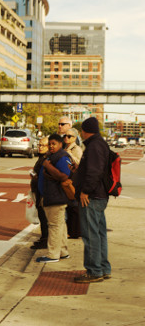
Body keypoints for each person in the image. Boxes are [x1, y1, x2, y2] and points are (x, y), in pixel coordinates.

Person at [73, 117, 111, 283]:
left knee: (90, 235)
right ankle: (103, 268)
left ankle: (94, 271)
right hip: (100, 195)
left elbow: (94, 172)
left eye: (82, 130)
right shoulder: (101, 144)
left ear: (85, 130)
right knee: (100, 233)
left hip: (92, 197)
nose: (81, 133)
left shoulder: (94, 146)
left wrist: (85, 191)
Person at [36, 134, 71, 263]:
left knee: (54, 226)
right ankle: (62, 251)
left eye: (54, 144)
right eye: (50, 144)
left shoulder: (61, 157)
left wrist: (47, 166)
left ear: (60, 144)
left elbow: (64, 176)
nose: (51, 146)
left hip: (56, 197)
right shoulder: (53, 156)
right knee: (60, 225)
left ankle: (53, 255)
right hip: (51, 196)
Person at [63, 128, 83, 239]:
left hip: (73, 179)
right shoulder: (65, 147)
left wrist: (69, 154)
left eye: (69, 136)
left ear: (75, 138)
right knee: (68, 206)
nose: (66, 138)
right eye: (65, 136)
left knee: (73, 205)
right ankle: (70, 230)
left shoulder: (76, 149)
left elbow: (79, 162)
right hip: (66, 178)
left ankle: (74, 231)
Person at [30, 137, 49, 250]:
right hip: (38, 189)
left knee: (44, 217)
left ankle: (45, 240)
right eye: (39, 145)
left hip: (43, 192)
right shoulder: (41, 157)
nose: (40, 147)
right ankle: (43, 238)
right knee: (41, 216)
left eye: (43, 145)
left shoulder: (47, 158)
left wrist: (36, 177)